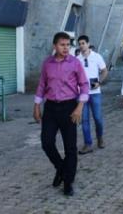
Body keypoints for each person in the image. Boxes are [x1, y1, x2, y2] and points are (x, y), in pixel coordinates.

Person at [34, 32, 89, 196]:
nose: (66, 48)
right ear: (54, 46)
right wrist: (37, 105)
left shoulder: (75, 63)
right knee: (46, 142)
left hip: (70, 107)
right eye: (62, 45)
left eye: (68, 45)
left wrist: (79, 107)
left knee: (70, 148)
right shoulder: (47, 64)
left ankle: (68, 182)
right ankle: (61, 168)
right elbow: (42, 84)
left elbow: (84, 86)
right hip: (51, 108)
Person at [77, 35, 109, 154]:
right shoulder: (77, 59)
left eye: (83, 43)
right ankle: (88, 144)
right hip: (82, 94)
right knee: (84, 120)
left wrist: (99, 82)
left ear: (88, 43)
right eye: (79, 43)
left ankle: (100, 138)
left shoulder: (97, 57)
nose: (81, 45)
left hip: (95, 93)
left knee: (98, 119)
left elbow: (105, 71)